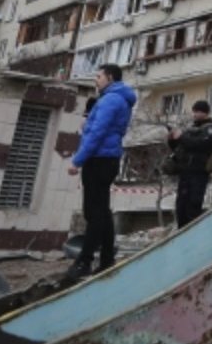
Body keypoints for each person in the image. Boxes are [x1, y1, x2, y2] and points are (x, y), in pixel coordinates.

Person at [66, 63, 135, 278]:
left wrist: (77, 160)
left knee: (94, 212)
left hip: (99, 159)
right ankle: (106, 259)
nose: (96, 80)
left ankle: (84, 261)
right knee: (101, 211)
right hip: (106, 158)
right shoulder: (115, 99)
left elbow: (97, 133)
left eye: (99, 76)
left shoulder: (111, 100)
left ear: (110, 78)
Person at [167, 100, 212, 229]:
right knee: (181, 206)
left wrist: (181, 137)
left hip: (199, 172)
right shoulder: (192, 129)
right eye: (194, 111)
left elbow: (199, 144)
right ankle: (181, 230)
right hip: (185, 172)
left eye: (197, 111)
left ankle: (191, 232)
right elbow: (180, 148)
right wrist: (172, 139)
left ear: (205, 112)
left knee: (193, 205)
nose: (195, 114)